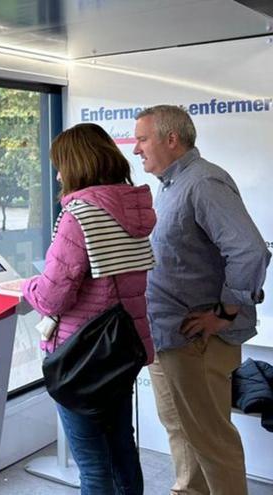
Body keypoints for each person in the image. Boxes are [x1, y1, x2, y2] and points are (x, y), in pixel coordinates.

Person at [134, 105, 270, 495]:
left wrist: (225, 313)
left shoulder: (204, 182)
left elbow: (249, 251)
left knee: (211, 438)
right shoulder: (171, 185)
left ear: (171, 139)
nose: (136, 149)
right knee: (179, 427)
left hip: (200, 341)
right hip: (169, 336)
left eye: (143, 139)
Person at [17, 123, 156, 494]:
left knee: (93, 464)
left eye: (61, 165)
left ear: (78, 163)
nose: (59, 175)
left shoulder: (79, 214)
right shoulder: (133, 206)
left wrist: (24, 286)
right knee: (122, 448)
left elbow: (52, 297)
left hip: (82, 354)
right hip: (123, 346)